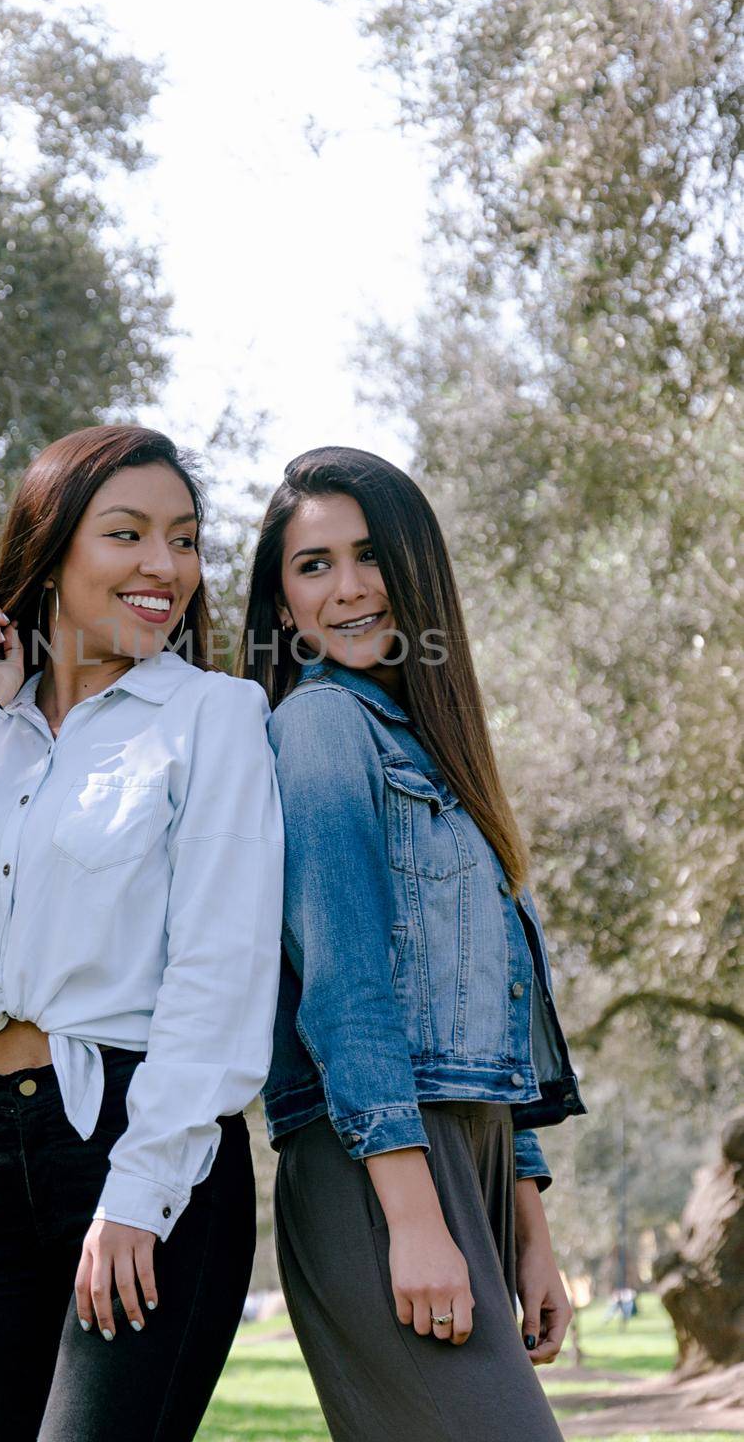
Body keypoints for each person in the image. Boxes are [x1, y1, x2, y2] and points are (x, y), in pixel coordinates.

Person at [0, 424, 284, 1442]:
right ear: (52, 547)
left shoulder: (215, 717)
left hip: (137, 1138)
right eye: (127, 534)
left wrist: (144, 1186)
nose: (163, 567)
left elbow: (222, 966)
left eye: (184, 538)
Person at [237, 445, 585, 1442]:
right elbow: (343, 985)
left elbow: (499, 1012)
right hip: (374, 1164)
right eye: (312, 565)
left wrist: (529, 1230)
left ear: (414, 567)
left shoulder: (440, 752)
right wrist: (416, 1219)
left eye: (367, 554)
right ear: (285, 600)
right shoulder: (318, 728)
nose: (347, 588)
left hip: (463, 1153)